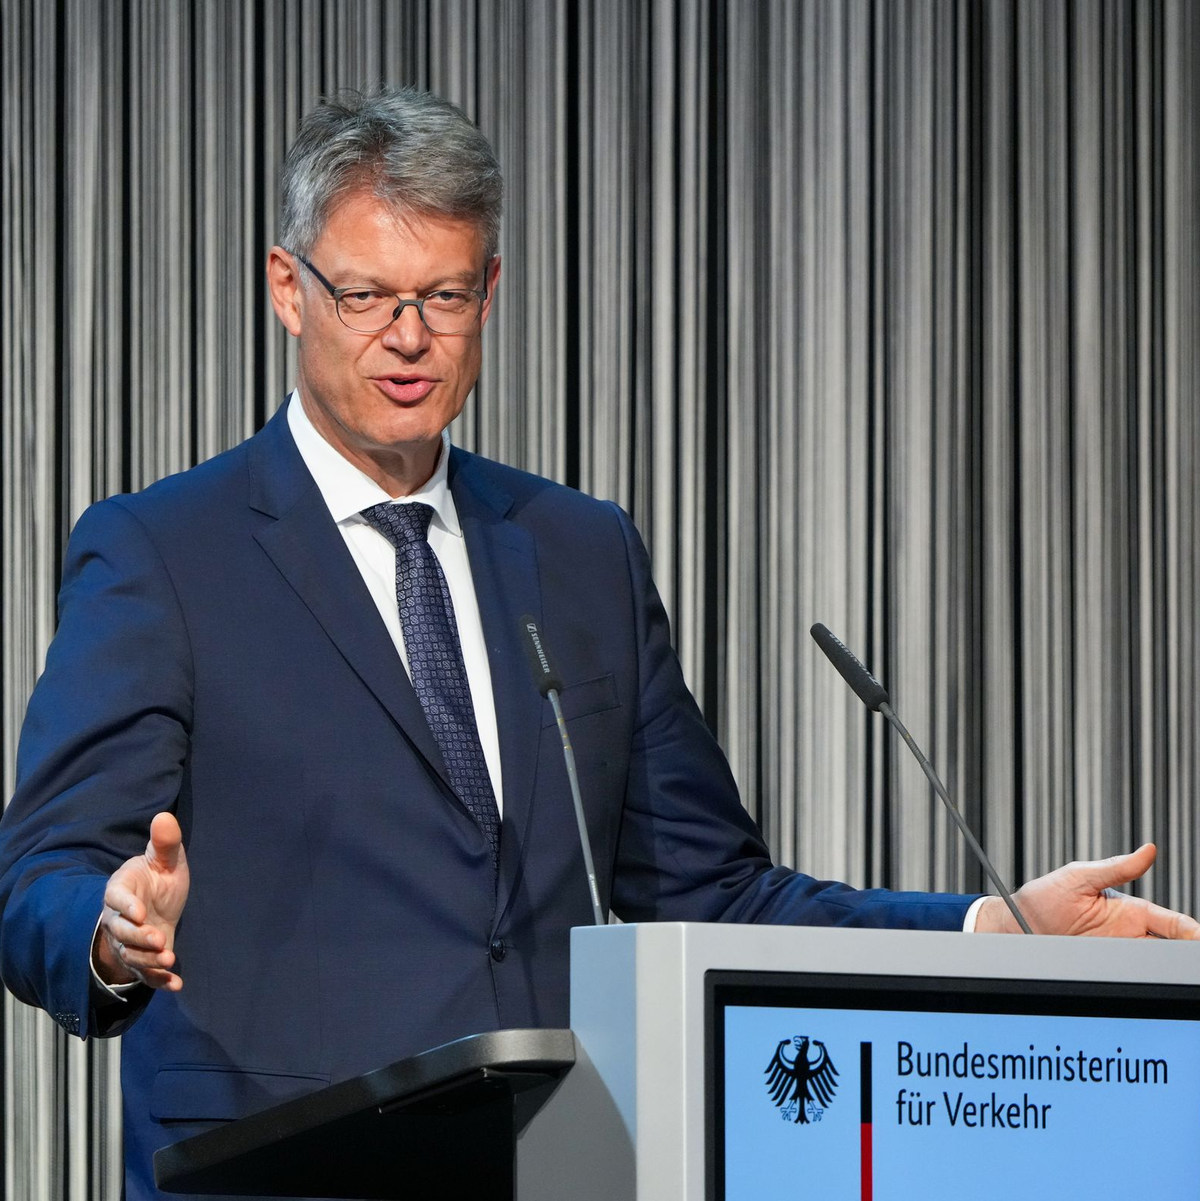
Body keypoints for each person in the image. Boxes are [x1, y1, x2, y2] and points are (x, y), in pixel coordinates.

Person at [0, 88, 1195, 1201]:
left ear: (490, 292)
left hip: (554, 1165)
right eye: (367, 296)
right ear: (288, 286)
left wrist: (995, 928)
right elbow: (41, 880)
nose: (408, 337)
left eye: (444, 297)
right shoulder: (164, 552)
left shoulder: (578, 552)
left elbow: (712, 889)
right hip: (280, 1171)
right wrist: (111, 933)